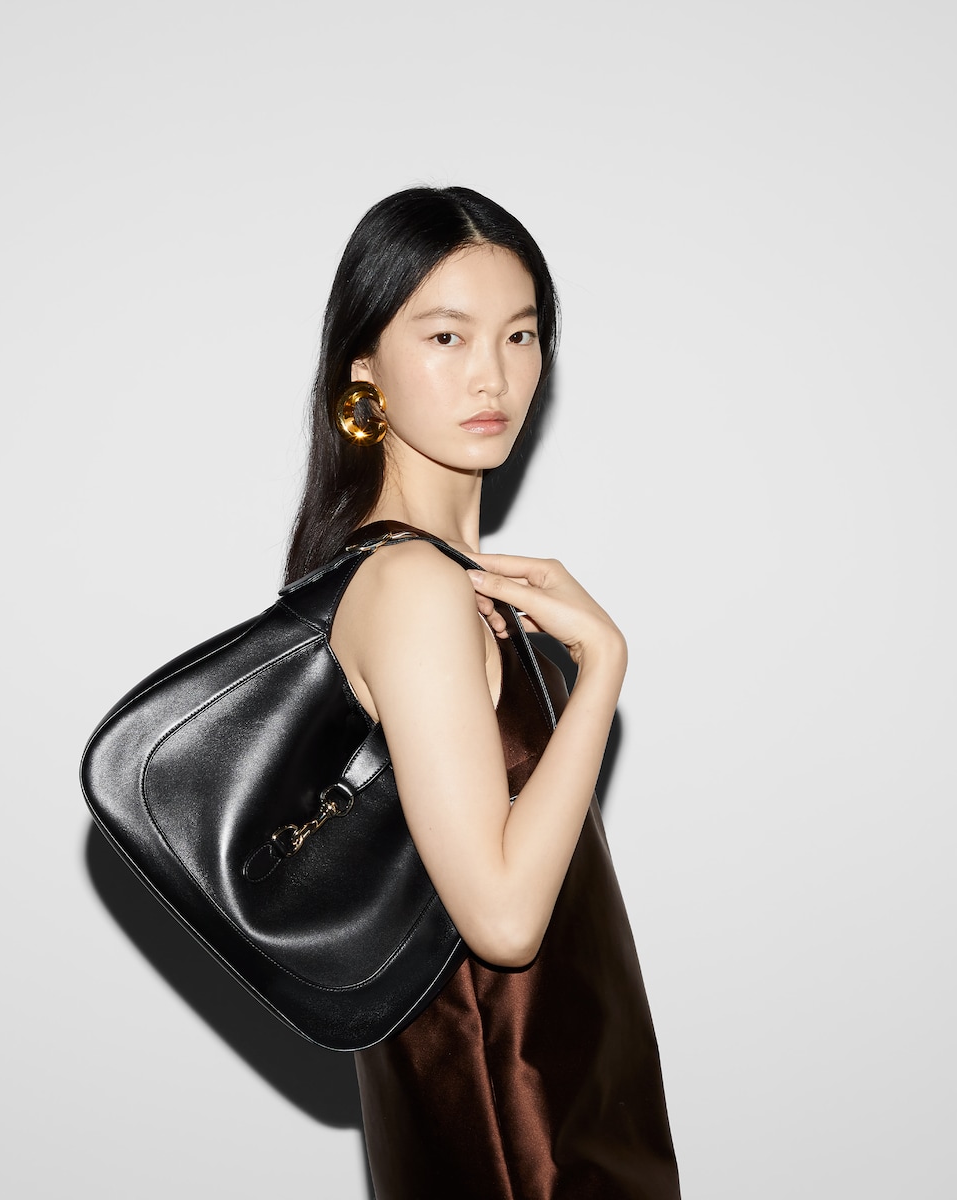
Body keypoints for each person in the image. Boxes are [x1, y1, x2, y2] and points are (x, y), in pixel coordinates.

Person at [284, 187, 680, 1199]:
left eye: (520, 334)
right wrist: (603, 668)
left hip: (558, 1116)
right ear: (364, 367)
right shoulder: (412, 587)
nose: (492, 375)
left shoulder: (440, 582)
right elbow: (503, 922)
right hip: (521, 1144)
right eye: (446, 336)